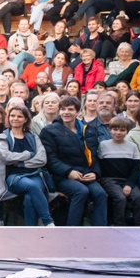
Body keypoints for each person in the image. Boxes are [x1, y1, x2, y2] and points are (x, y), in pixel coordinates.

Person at [40, 96, 108, 226]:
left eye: (70, 109)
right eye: (63, 109)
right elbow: (51, 159)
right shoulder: (49, 131)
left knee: (100, 194)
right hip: (61, 176)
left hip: (85, 173)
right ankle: (72, 229)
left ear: (77, 112)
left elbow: (93, 156)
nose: (66, 112)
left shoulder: (87, 129)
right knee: (81, 191)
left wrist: (95, 172)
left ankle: (101, 230)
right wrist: (69, 172)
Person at [99, 117, 140, 226]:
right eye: (115, 129)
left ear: (127, 131)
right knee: (120, 198)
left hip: (127, 179)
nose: (118, 133)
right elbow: (100, 165)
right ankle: (119, 225)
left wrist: (129, 184)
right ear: (110, 130)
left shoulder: (132, 146)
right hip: (109, 180)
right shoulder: (103, 145)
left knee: (138, 198)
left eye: (122, 130)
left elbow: (136, 168)